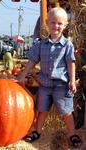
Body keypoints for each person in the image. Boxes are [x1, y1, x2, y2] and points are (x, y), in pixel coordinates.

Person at [19, 7, 82, 148]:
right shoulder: (40, 45)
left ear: (65, 25)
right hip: (45, 85)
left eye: (60, 23)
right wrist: (22, 75)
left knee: (66, 111)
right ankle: (37, 131)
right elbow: (32, 61)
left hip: (62, 85)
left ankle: (71, 133)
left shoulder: (67, 45)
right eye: (53, 22)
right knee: (42, 110)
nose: (56, 26)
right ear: (47, 23)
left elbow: (71, 63)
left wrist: (72, 80)